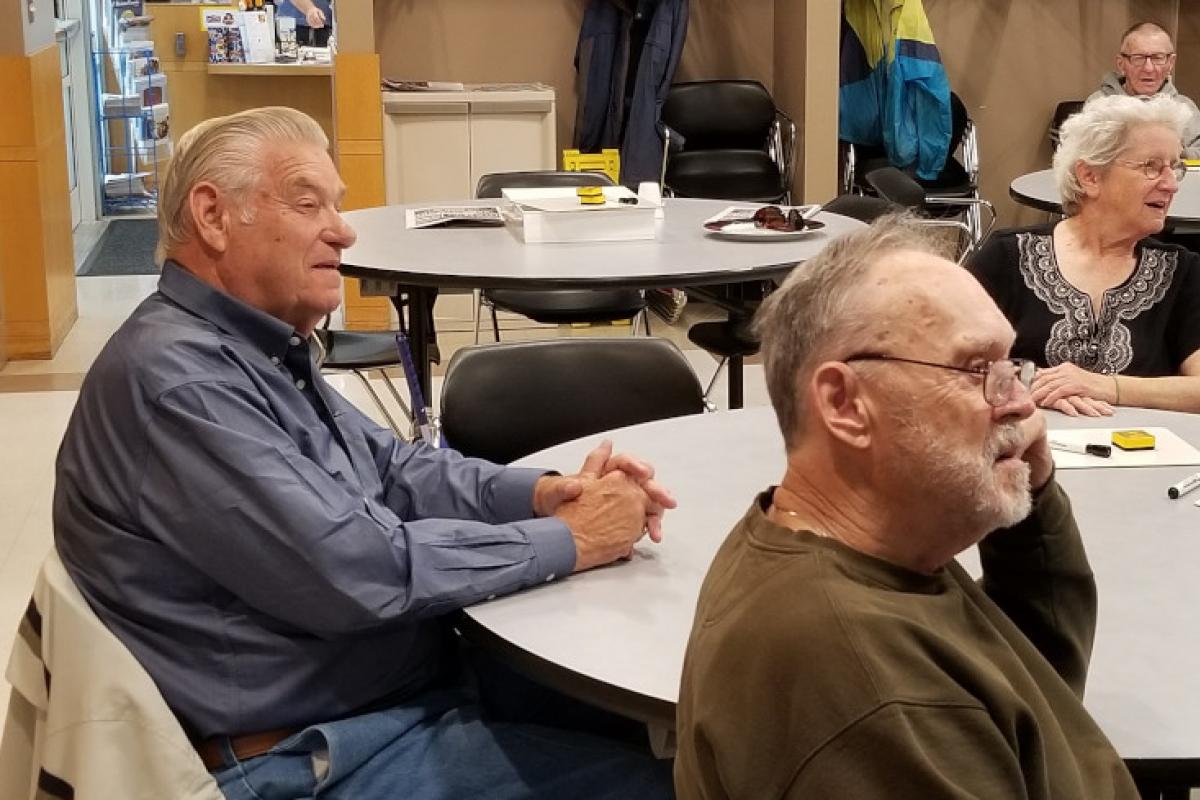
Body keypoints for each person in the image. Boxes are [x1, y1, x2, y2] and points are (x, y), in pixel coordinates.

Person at [53, 107, 675, 799]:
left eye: (337, 206)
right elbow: (361, 571)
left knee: (674, 719)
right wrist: (571, 539)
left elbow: (392, 468)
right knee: (668, 783)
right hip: (312, 750)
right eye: (307, 201)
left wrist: (541, 494)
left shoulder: (246, 348)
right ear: (213, 215)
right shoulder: (180, 384)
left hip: (391, 690)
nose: (343, 230)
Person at [674, 217, 1140, 799]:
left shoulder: (884, 545)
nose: (1021, 401)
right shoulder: (859, 681)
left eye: (1011, 367)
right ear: (845, 403)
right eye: (977, 370)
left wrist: (1033, 500)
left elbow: (1032, 686)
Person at [969, 94, 1200, 416]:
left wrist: (1106, 386)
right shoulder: (1008, 257)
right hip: (1024, 446)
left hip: (1145, 456)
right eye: (1151, 167)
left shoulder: (1181, 271)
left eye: (1174, 168)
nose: (1171, 185)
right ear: (1090, 177)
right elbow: (944, 366)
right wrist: (1034, 386)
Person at [1087, 20, 1200, 157]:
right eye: (1138, 58)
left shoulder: (1185, 107)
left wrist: (1174, 150)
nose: (1148, 68)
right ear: (1121, 64)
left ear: (1170, 64)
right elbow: (1080, 157)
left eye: (1158, 58)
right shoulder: (1098, 104)